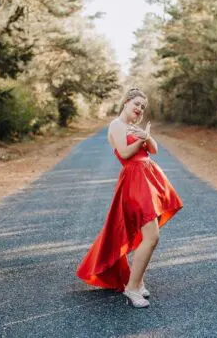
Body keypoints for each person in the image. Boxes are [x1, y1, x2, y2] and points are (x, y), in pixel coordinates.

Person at [76, 88, 183, 308]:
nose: (139, 109)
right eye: (136, 104)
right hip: (135, 182)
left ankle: (138, 282)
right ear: (125, 102)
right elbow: (124, 154)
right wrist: (139, 140)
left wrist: (147, 136)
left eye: (143, 107)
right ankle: (132, 288)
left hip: (147, 180)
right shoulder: (116, 125)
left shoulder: (134, 127)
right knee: (152, 237)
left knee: (147, 236)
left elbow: (154, 150)